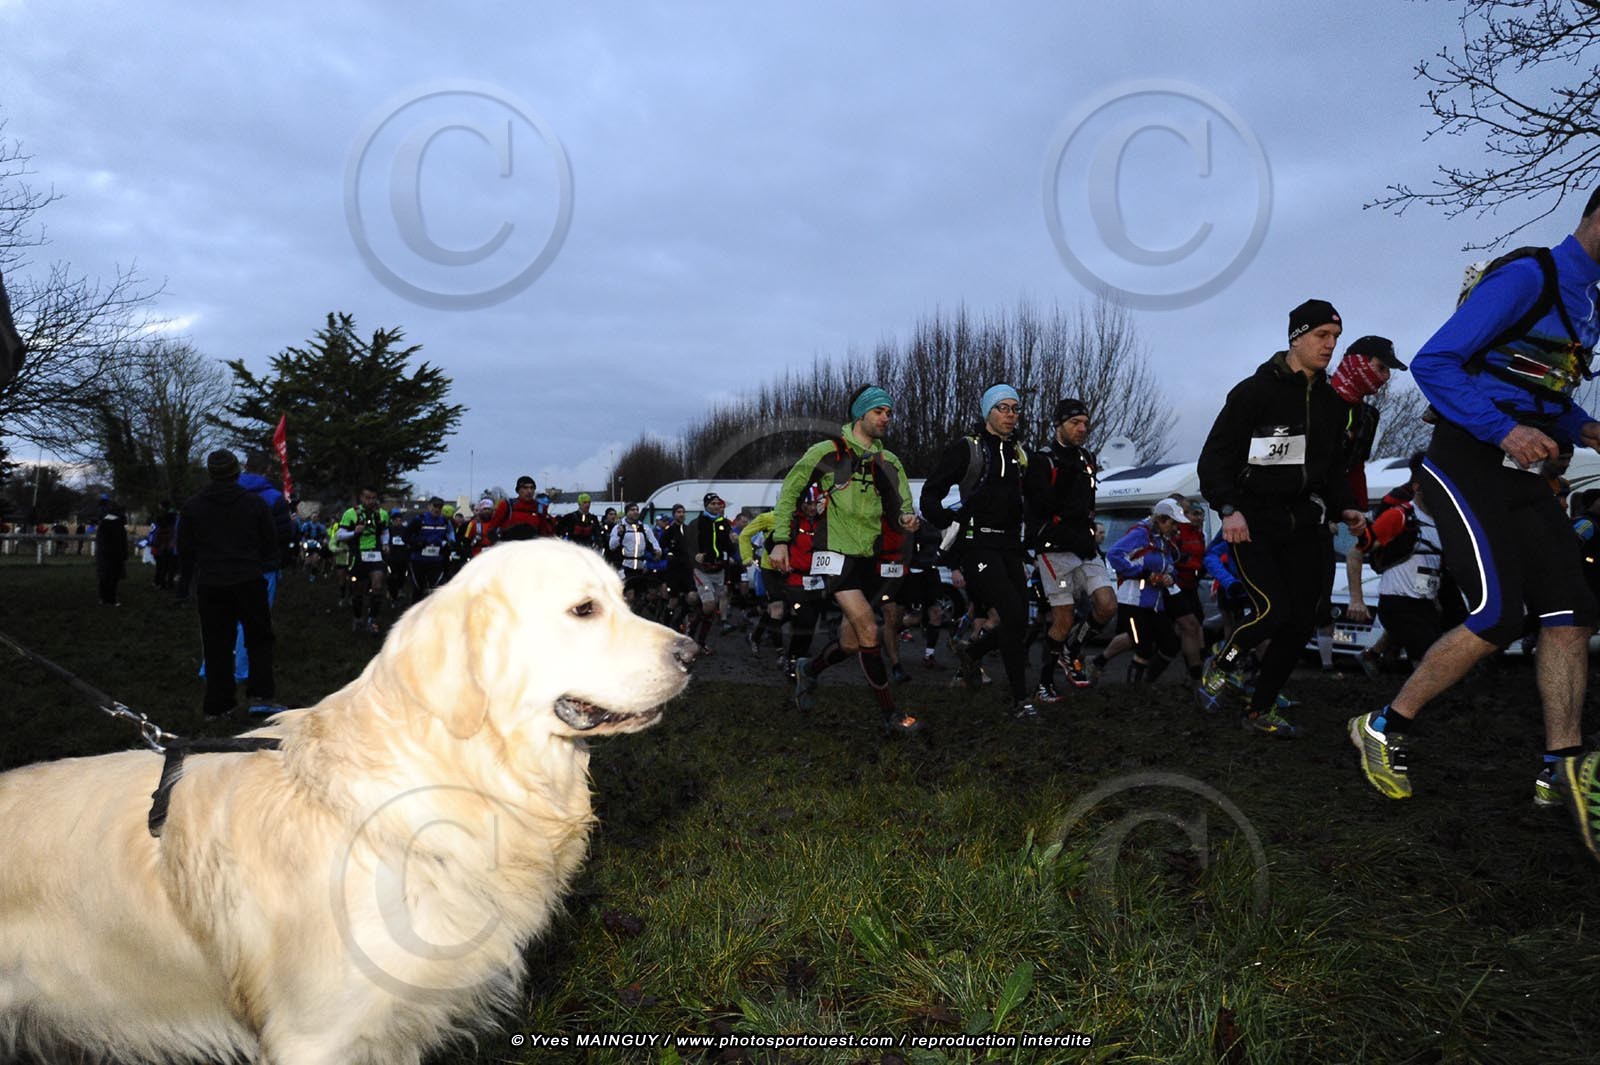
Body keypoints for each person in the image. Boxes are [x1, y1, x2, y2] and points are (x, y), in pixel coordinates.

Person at [1349, 191, 1600, 860]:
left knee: (1572, 612)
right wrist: (1504, 430)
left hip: (1523, 471)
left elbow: (1546, 394)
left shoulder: (1589, 303)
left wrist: (1586, 428)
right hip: (1465, 459)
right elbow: (1435, 363)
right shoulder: (1529, 277)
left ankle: (1561, 765)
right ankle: (1382, 726)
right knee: (1498, 614)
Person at [1196, 298, 1367, 736]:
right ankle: (1223, 663)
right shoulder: (1254, 393)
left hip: (1304, 523)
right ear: (1296, 338)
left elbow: (1331, 469)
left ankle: (1260, 709)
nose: (1330, 345)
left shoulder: (1331, 404)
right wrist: (1228, 509)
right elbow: (1214, 459)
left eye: (1336, 337)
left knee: (1302, 620)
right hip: (1253, 521)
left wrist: (1347, 505)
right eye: (1322, 336)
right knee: (1272, 612)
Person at [770, 384, 922, 734]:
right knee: (870, 629)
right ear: (860, 415)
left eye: (889, 412)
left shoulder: (889, 461)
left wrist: (906, 519)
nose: (886, 418)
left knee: (853, 642)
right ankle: (891, 715)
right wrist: (780, 541)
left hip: (869, 556)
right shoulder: (828, 452)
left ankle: (809, 670)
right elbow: (790, 492)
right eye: (879, 412)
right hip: (833, 553)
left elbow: (902, 505)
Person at [921, 383, 1036, 718]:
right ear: (988, 411)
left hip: (1010, 546)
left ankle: (972, 653)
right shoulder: (968, 449)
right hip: (977, 546)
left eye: (1015, 408)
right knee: (1011, 613)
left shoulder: (1020, 453)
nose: (1011, 415)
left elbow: (1031, 499)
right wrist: (948, 521)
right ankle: (1021, 700)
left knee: (1020, 621)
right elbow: (930, 494)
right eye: (1003, 408)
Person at [178, 450, 281, 718]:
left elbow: (185, 550)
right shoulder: (255, 504)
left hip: (211, 582)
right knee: (259, 639)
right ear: (237, 472)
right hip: (249, 579)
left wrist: (185, 585)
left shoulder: (193, 507)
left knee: (216, 643)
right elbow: (270, 544)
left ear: (210, 473)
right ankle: (260, 695)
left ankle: (218, 703)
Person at [1028, 397, 1118, 699]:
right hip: (1056, 550)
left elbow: (1088, 504)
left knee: (1107, 605)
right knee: (1063, 618)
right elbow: (1037, 511)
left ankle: (1072, 649)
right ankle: (1045, 683)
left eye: (1085, 424)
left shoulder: (1087, 457)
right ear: (1058, 425)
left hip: (1085, 546)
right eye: (1074, 423)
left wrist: (1089, 531)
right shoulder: (1043, 460)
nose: (1082, 429)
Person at [1344, 452, 1446, 668]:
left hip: (1426, 604)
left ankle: (1373, 656)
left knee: (1437, 659)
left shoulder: (1443, 522)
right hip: (1398, 604)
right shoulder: (1399, 516)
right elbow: (1355, 552)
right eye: (1435, 486)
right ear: (1417, 488)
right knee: (1429, 662)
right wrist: (1357, 599)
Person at [1105, 498, 1186, 681]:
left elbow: (1169, 566)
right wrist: (1144, 574)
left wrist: (1170, 577)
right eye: (1173, 523)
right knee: (1143, 646)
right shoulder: (1141, 534)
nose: (1176, 528)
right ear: (1161, 519)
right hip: (1133, 600)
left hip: (1155, 602)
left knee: (1170, 645)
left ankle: (1146, 683)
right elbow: (1114, 554)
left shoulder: (1164, 540)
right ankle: (1135, 689)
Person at [685, 493, 736, 653]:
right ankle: (690, 632)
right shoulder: (696, 523)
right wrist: (696, 556)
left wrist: (733, 542)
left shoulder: (724, 524)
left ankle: (701, 642)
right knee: (709, 605)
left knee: (712, 609)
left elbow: (729, 548)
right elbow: (688, 545)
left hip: (719, 569)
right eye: (712, 503)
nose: (716, 506)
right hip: (702, 569)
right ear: (706, 505)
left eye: (717, 504)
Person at [337, 487, 390, 634]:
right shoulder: (350, 513)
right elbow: (340, 535)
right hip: (358, 556)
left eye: (373, 498)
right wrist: (354, 532)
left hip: (376, 555)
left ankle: (372, 620)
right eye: (367, 498)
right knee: (358, 591)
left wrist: (386, 543)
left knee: (377, 587)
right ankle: (358, 618)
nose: (370, 501)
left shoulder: (382, 514)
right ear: (361, 498)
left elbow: (385, 531)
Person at [406, 497, 455, 599]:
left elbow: (451, 537)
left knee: (437, 589)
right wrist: (417, 543)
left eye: (440, 507)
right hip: (419, 560)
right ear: (429, 506)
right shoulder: (419, 520)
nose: (437, 509)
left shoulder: (445, 522)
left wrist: (448, 545)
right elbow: (405, 536)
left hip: (436, 561)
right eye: (435, 506)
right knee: (418, 589)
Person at [489, 476, 556, 541]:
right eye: (525, 488)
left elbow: (543, 533)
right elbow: (491, 529)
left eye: (532, 488)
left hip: (532, 546)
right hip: (510, 545)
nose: (529, 491)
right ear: (518, 490)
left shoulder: (540, 508)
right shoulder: (507, 505)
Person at [92, 495, 128, 606]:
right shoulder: (118, 524)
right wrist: (124, 553)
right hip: (114, 553)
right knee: (112, 577)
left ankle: (104, 598)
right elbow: (122, 540)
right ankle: (110, 598)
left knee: (105, 577)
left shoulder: (104, 522)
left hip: (105, 553)